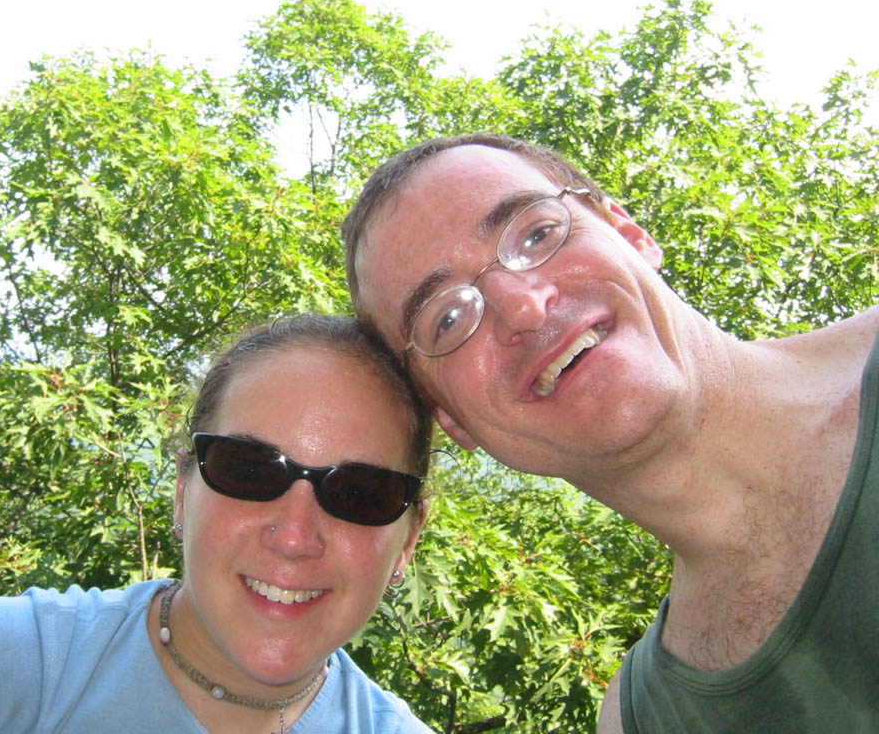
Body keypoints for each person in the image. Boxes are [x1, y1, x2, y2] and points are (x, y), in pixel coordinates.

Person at [342, 131, 879, 733]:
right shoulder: (643, 719)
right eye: (446, 317)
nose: (524, 308)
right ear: (452, 419)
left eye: (537, 235)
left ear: (628, 233)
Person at [0, 314, 435, 734]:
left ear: (407, 538)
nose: (293, 536)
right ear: (184, 491)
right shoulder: (1, 667)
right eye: (249, 471)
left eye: (360, 493)